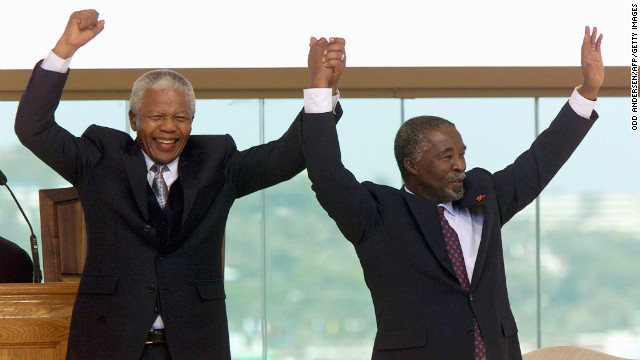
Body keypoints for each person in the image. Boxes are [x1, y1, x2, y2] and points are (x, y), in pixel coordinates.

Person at [14, 9, 344, 360]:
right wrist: (64, 51)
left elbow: (287, 156)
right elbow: (33, 128)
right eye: (156, 117)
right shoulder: (98, 158)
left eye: (181, 118)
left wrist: (321, 88)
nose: (169, 128)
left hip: (196, 345)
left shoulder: (219, 162)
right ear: (133, 119)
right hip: (107, 343)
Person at [302, 27, 603, 360]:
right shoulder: (377, 215)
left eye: (462, 154)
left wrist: (588, 92)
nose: (459, 165)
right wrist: (320, 90)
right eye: (447, 157)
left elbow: (539, 163)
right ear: (412, 164)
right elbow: (326, 174)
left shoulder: (484, 196)